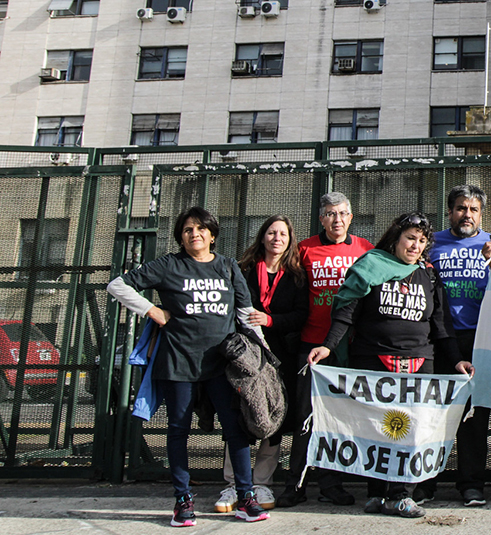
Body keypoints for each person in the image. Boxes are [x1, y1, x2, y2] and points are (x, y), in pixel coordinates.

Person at [106, 207, 270, 526]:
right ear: (181, 237)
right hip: (178, 362)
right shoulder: (169, 265)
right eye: (187, 230)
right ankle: (182, 500)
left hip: (222, 365)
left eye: (200, 228)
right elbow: (117, 286)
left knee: (235, 429)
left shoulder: (227, 267)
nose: (194, 234)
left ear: (212, 235)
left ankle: (245, 496)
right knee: (178, 429)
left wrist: (263, 354)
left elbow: (245, 313)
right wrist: (153, 311)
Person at [309, 212, 474, 518]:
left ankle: (400, 494)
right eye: (410, 238)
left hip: (419, 363)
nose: (415, 246)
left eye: (421, 241)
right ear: (396, 238)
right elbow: (346, 313)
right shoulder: (370, 266)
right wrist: (327, 346)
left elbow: (441, 326)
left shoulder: (430, 276)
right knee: (375, 428)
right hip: (372, 361)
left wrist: (456, 360)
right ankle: (376, 493)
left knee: (411, 430)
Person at [276, 192, 373, 508]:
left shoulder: (365, 249)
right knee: (306, 418)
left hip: (349, 347)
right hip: (311, 346)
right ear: (321, 218)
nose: (337, 220)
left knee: (340, 418)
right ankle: (296, 484)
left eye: (343, 213)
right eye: (331, 214)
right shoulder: (304, 249)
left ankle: (332, 484)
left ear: (351, 217)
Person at [212, 216, 309, 513]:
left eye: (283, 234)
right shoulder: (243, 270)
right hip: (245, 356)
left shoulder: (297, 276)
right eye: (271, 232)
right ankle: (234, 483)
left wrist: (270, 320)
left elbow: (301, 315)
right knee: (240, 415)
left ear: (290, 240)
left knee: (273, 417)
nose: (277, 238)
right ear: (262, 236)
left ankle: (262, 481)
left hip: (280, 356)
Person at [427, 185, 491, 506]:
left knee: (475, 419)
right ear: (450, 212)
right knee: (434, 414)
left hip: (481, 340)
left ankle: (471, 484)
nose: (467, 214)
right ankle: (425, 482)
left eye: (474, 209)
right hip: (438, 339)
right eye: (461, 208)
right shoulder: (432, 243)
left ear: (481, 214)